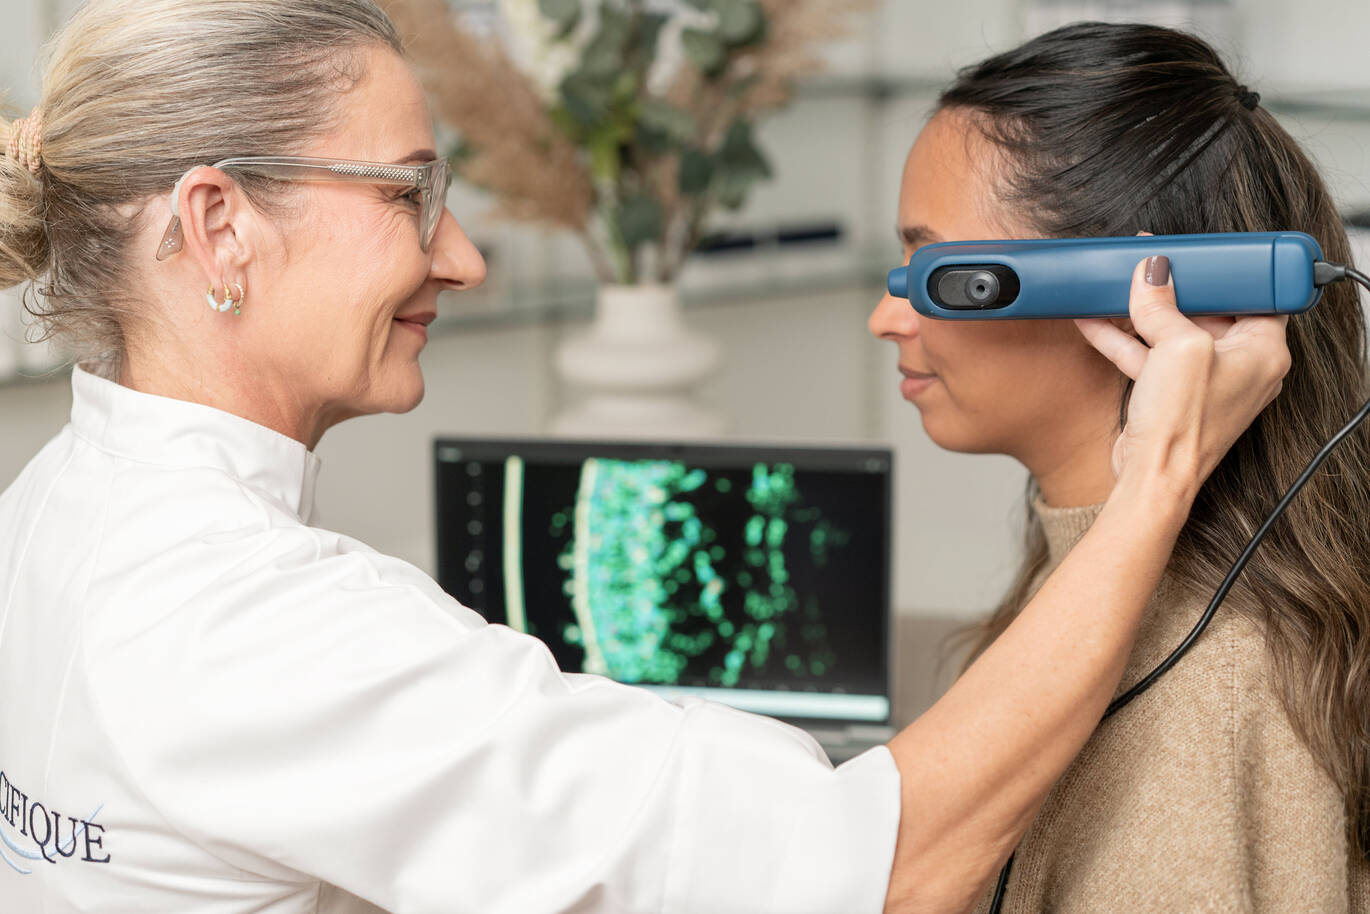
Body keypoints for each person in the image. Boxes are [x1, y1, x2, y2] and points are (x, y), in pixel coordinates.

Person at [0, 3, 1290, 912]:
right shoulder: (261, 629)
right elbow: (862, 868)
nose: (462, 258)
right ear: (219, 226)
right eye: (407, 195)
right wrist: (1155, 476)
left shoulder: (49, 513)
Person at [868, 21, 1370, 912]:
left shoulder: (1203, 689)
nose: (886, 317)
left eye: (935, 269)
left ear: (1130, 285)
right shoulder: (1088, 598)